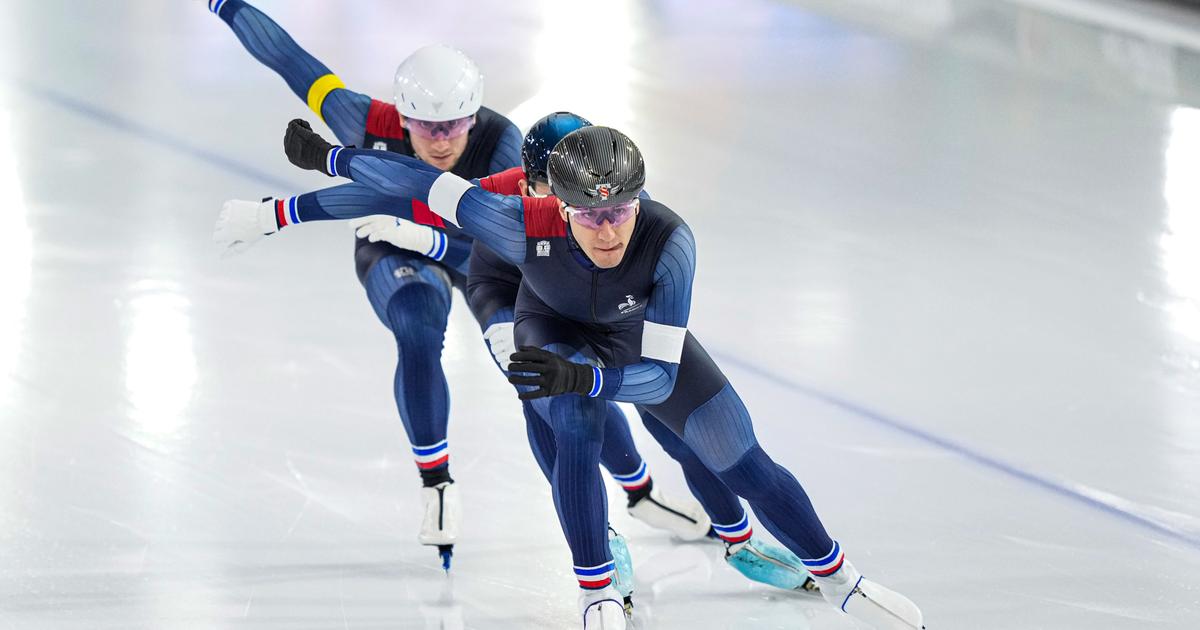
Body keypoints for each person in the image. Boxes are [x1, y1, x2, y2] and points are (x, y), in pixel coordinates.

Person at [214, 121, 927, 629]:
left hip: (627, 345)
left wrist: (586, 379)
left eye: (620, 210)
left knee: (732, 448)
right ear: (554, 201)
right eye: (590, 214)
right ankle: (595, 593)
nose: (609, 228)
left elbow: (655, 374)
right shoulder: (516, 222)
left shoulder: (671, 243)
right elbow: (415, 182)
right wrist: (329, 162)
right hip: (545, 325)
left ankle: (837, 578)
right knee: (573, 428)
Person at [201, 0, 723, 573]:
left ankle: (637, 489)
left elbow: (507, 250)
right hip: (394, 243)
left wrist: (290, 212)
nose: (444, 139)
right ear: (401, 117)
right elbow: (288, 58)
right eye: (428, 126)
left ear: (475, 116)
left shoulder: (506, 148)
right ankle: (437, 483)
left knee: (552, 382)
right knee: (418, 328)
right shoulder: (360, 119)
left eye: (455, 123)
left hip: (485, 264)